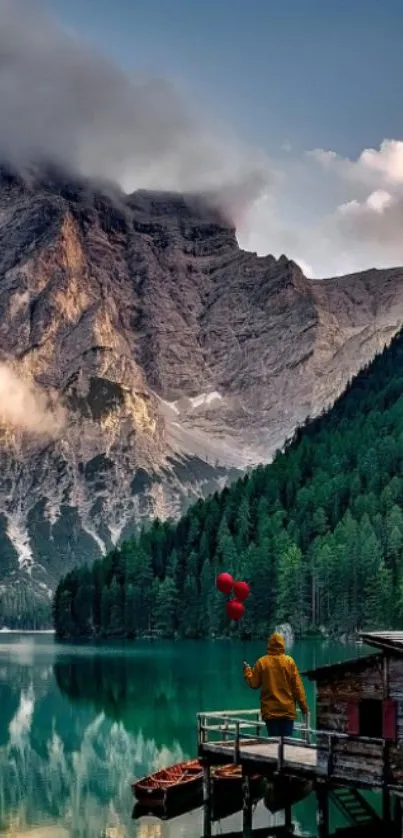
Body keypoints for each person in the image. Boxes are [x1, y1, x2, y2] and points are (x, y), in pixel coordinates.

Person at [243, 631, 308, 738]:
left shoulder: (262, 662)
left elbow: (254, 684)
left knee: (273, 742)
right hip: (287, 711)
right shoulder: (289, 662)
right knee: (286, 742)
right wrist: (304, 708)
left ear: (269, 644)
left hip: (270, 712)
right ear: (282, 644)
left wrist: (247, 671)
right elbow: (298, 688)